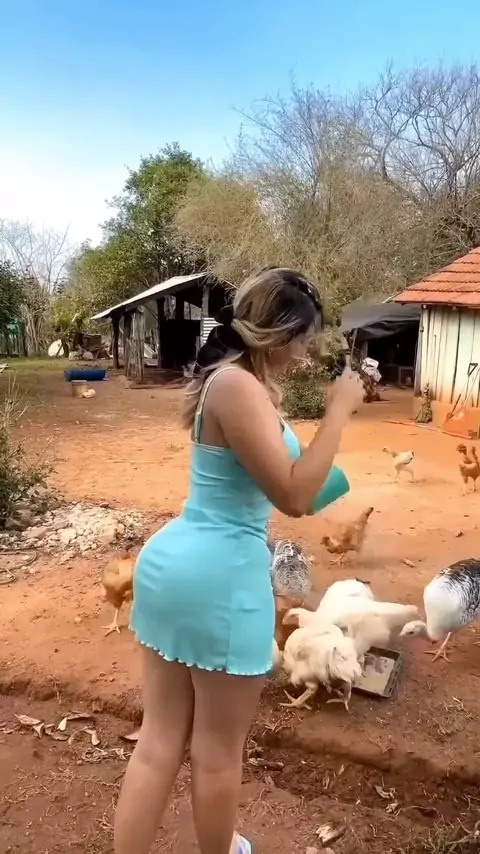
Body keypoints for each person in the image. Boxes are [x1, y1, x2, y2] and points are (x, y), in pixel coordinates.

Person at [114, 267, 364, 854]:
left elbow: (280, 484)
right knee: (216, 755)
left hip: (180, 567)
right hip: (220, 580)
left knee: (159, 742)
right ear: (278, 333)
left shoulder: (233, 384)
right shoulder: (237, 386)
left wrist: (321, 475)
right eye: (302, 340)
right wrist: (338, 411)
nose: (304, 355)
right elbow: (294, 495)